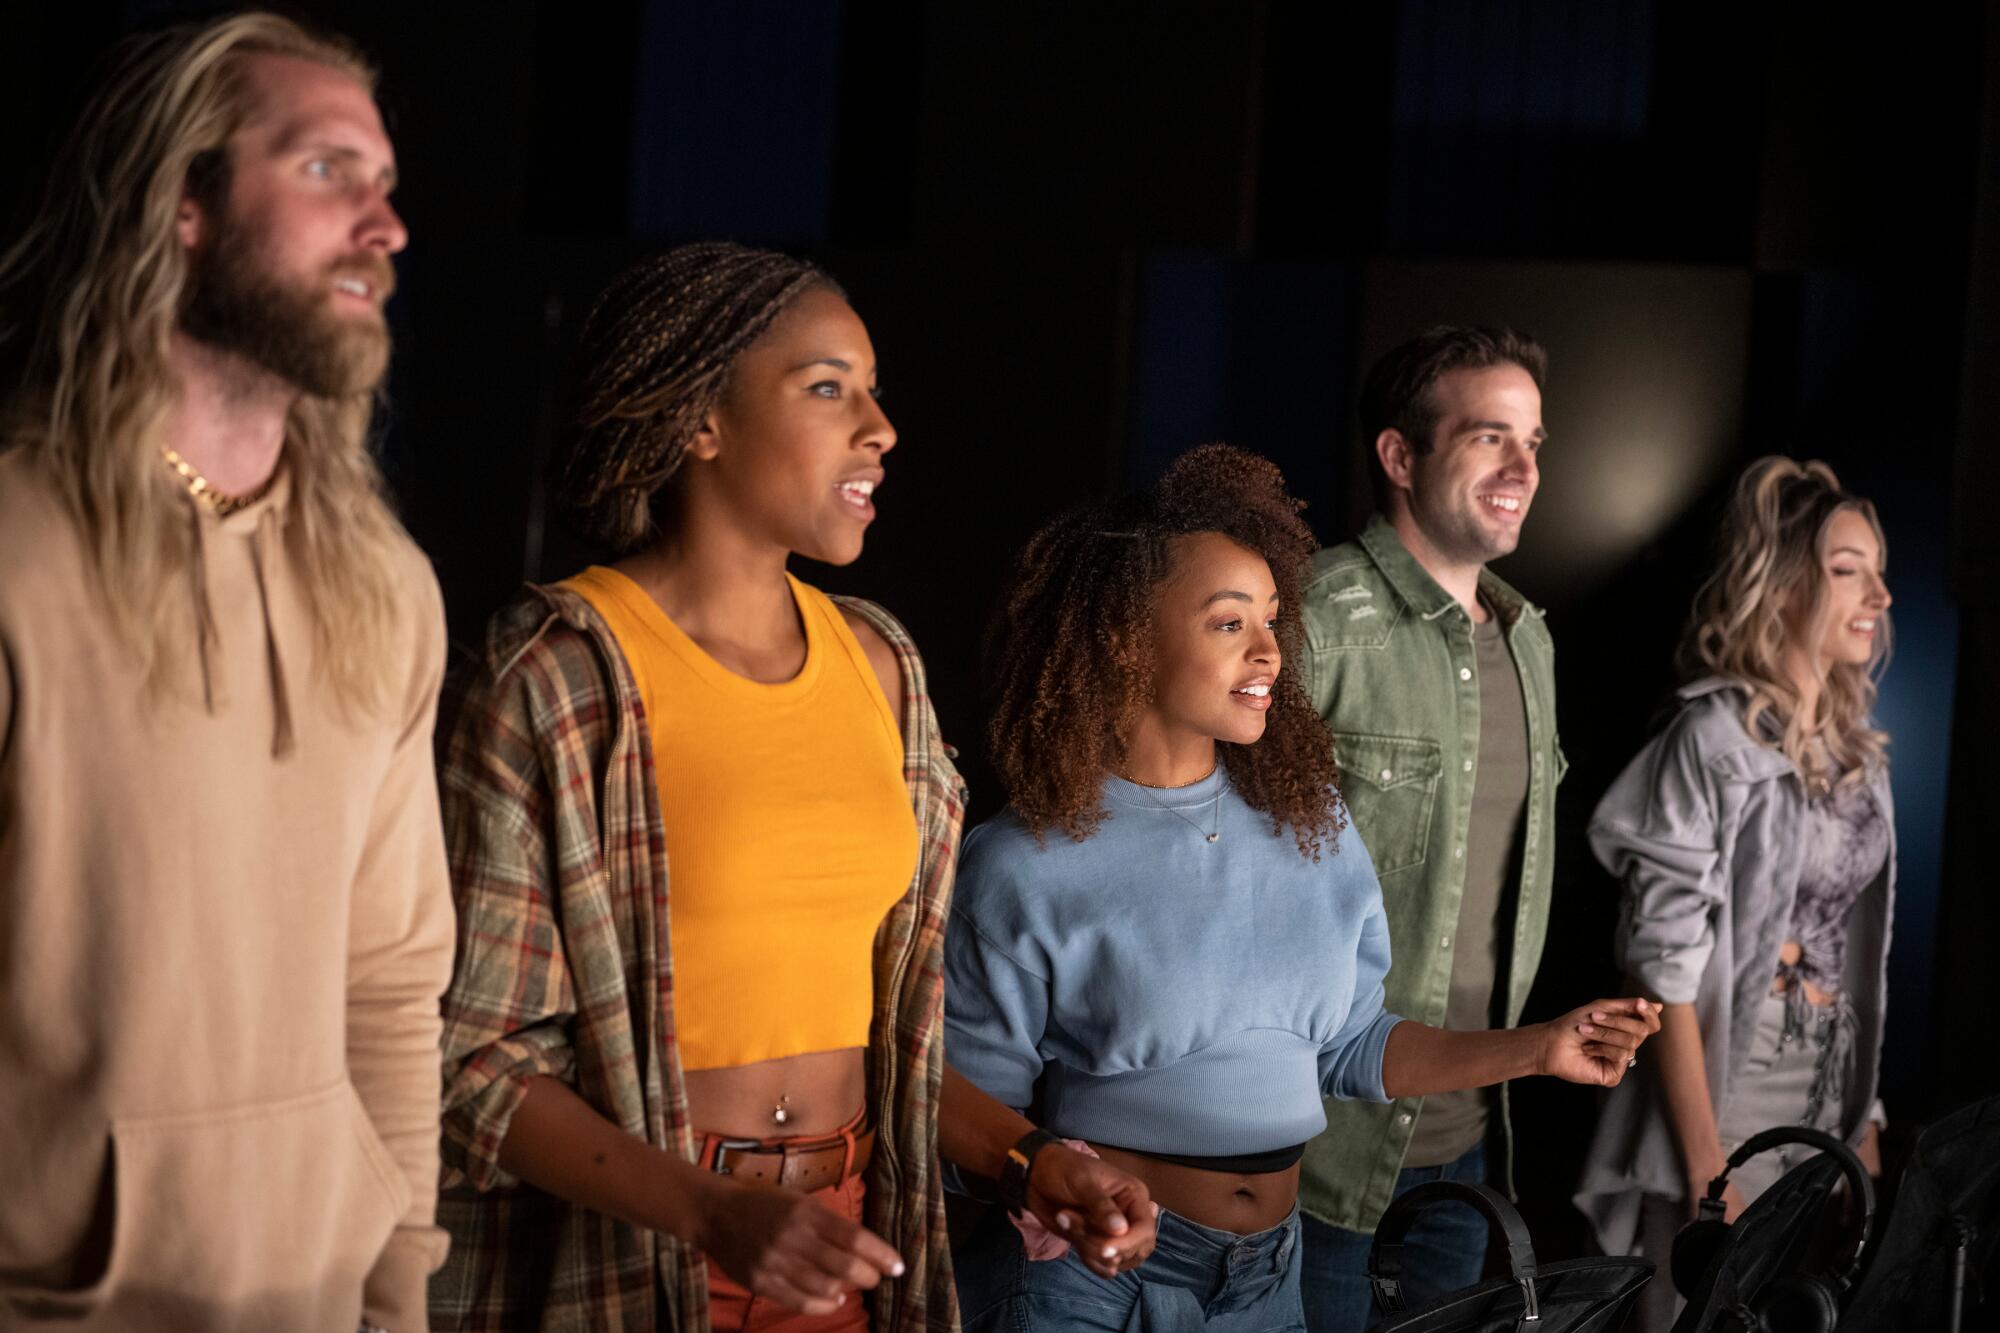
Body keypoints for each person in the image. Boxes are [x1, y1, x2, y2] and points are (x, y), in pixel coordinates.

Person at [433, 243, 1154, 1331]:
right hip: (643, 1265)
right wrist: (714, 1211)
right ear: (698, 420)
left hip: (850, 1252)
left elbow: (891, 1041)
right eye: (827, 388)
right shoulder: (561, 670)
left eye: (872, 390)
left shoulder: (880, 664)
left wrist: (1028, 1157)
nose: (880, 426)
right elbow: (474, 1065)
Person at [946, 444, 1657, 1332]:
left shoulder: (1307, 819)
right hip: (1093, 1280)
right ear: (1128, 638)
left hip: (1269, 1280)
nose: (1270, 652)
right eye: (1228, 622)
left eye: (1274, 620)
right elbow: (954, 1108)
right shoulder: (1026, 858)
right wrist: (1043, 1176)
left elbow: (1354, 1043)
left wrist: (1540, 1047)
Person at [0, 13, 453, 1330]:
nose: (385, 228)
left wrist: (391, 1298)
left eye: (386, 187)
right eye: (326, 172)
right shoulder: (20, 550)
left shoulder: (386, 586)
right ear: (181, 203)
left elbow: (390, 984)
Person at [1575, 456, 1895, 1333]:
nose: (1881, 594)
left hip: (1824, 1108)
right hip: (1720, 1111)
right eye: (1847, 569)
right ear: (1785, 583)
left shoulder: (1859, 758)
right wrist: (1708, 1167)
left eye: (1880, 569)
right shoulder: (1707, 740)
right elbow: (1663, 976)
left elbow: (1863, 959)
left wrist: (1860, 1121)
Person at [1293, 327, 1563, 1329]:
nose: (1523, 468)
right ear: (1399, 457)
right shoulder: (1310, 618)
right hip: (1315, 1150)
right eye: (1489, 437)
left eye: (1533, 441)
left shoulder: (1528, 637)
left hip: (1468, 1138)